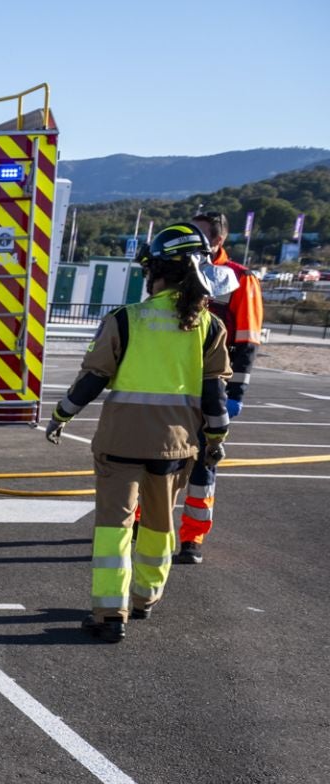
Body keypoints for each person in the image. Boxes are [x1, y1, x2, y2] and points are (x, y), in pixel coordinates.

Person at [45, 223, 229, 642]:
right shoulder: (209, 327)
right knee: (160, 525)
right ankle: (145, 598)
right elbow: (215, 396)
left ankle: (110, 613)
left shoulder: (126, 319)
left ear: (157, 272)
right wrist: (215, 441)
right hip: (176, 447)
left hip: (121, 443)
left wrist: (60, 415)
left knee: (114, 526)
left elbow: (93, 379)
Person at [178, 212, 263, 564]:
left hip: (213, 387)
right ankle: (140, 525)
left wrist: (234, 398)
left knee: (203, 467)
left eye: (197, 234)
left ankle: (192, 539)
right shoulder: (178, 273)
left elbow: (247, 342)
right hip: (171, 383)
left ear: (218, 241)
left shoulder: (242, 280)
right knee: (154, 460)